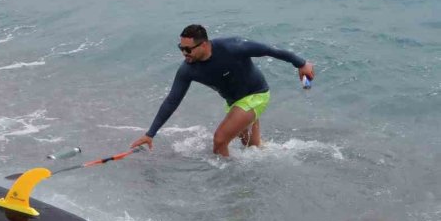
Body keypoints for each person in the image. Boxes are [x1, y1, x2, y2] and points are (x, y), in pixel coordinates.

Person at [131, 24, 314, 157]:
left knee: (219, 141)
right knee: (251, 147)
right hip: (234, 103)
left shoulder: (232, 47)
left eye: (188, 49)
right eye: (181, 48)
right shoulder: (188, 69)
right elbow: (172, 100)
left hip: (256, 96)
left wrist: (302, 64)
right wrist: (150, 134)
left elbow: (269, 50)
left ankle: (232, 177)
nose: (184, 53)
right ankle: (287, 154)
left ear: (203, 45)